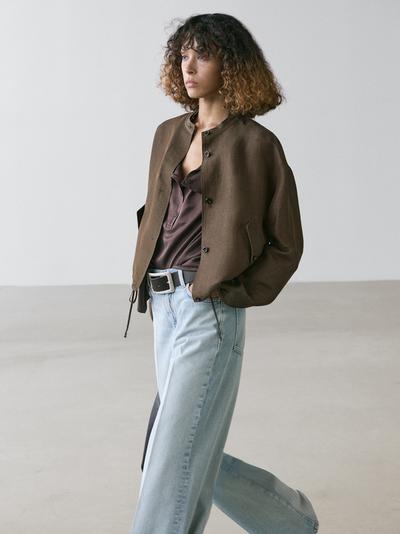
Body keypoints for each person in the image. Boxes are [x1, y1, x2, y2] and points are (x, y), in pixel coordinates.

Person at [126, 13, 320, 534]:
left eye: (203, 55)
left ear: (230, 65)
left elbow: (286, 243)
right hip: (162, 307)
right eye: (183, 55)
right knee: (176, 446)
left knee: (171, 455)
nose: (188, 67)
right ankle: (290, 519)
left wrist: (233, 291)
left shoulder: (258, 145)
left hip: (208, 310)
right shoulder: (167, 134)